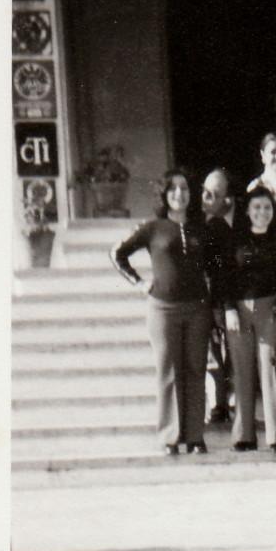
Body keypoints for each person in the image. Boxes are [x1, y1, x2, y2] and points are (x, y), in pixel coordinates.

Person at [111, 167, 229, 455]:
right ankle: (170, 437)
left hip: (198, 309)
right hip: (163, 310)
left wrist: (217, 305)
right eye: (173, 188)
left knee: (196, 369)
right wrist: (140, 282)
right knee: (168, 372)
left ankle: (195, 436)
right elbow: (117, 253)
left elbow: (217, 269)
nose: (179, 193)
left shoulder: (203, 229)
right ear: (164, 194)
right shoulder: (153, 227)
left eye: (185, 188)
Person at [224, 186, 276, 453]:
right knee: (242, 372)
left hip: (270, 310)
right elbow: (225, 278)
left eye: (267, 207)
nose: (262, 212)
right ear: (247, 211)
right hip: (240, 311)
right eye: (257, 207)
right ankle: (244, 435)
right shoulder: (236, 239)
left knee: (271, 368)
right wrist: (229, 308)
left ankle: (275, 437)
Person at [201, 167, 239, 424]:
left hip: (218, 300)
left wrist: (224, 305)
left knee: (224, 352)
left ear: (227, 199)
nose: (206, 198)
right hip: (196, 299)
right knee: (213, 356)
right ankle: (218, 403)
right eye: (205, 192)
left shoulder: (219, 227)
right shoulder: (195, 222)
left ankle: (225, 403)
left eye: (214, 194)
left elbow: (222, 271)